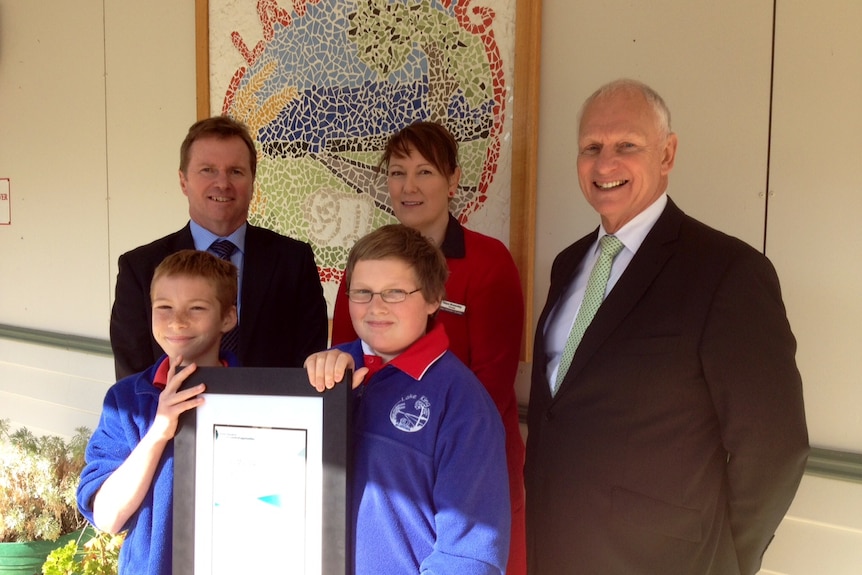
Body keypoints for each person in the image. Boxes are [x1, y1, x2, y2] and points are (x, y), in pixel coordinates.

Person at [525, 79, 809, 575]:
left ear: (667, 154)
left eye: (626, 146)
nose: (604, 164)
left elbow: (774, 447)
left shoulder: (727, 273)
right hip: (555, 546)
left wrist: (728, 560)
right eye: (591, 148)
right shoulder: (569, 264)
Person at [330, 121, 527, 575]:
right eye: (398, 173)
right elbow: (349, 356)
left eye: (425, 172)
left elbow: (493, 385)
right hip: (381, 458)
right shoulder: (368, 263)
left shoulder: (489, 260)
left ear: (453, 180)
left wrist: (421, 432)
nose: (409, 186)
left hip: (463, 461)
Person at [307, 224, 511, 575]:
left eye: (395, 292)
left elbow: (470, 557)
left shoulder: (462, 403)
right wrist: (303, 391)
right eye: (362, 292)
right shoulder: (325, 372)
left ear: (433, 299)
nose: (376, 308)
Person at [110, 115, 327, 379]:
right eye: (208, 170)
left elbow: (308, 365)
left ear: (252, 182)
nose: (222, 183)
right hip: (172, 416)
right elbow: (132, 377)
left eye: (235, 171)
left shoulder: (294, 261)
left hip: (270, 417)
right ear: (183, 182)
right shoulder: (140, 268)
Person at [78, 250, 240, 575]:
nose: (177, 321)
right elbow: (108, 518)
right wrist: (159, 432)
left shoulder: (259, 397)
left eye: (196, 308)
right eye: (164, 307)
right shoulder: (126, 401)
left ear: (227, 318)